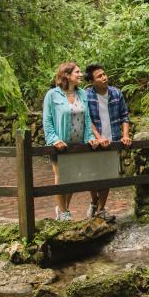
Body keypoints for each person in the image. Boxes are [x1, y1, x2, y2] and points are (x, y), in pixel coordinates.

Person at [43, 62, 98, 221]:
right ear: (67, 75)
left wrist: (90, 138)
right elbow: (47, 121)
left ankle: (63, 209)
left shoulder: (82, 94)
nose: (81, 75)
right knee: (61, 176)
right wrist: (54, 140)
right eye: (77, 72)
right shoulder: (52, 95)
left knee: (72, 177)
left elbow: (87, 119)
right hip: (60, 145)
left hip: (77, 145)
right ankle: (63, 211)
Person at [84, 63, 131, 221]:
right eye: (99, 76)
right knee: (92, 176)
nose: (104, 78)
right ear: (92, 81)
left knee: (108, 176)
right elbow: (87, 119)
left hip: (113, 140)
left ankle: (101, 209)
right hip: (94, 142)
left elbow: (124, 115)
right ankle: (94, 202)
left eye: (104, 74)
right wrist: (98, 137)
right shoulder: (86, 95)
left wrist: (125, 135)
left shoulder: (116, 93)